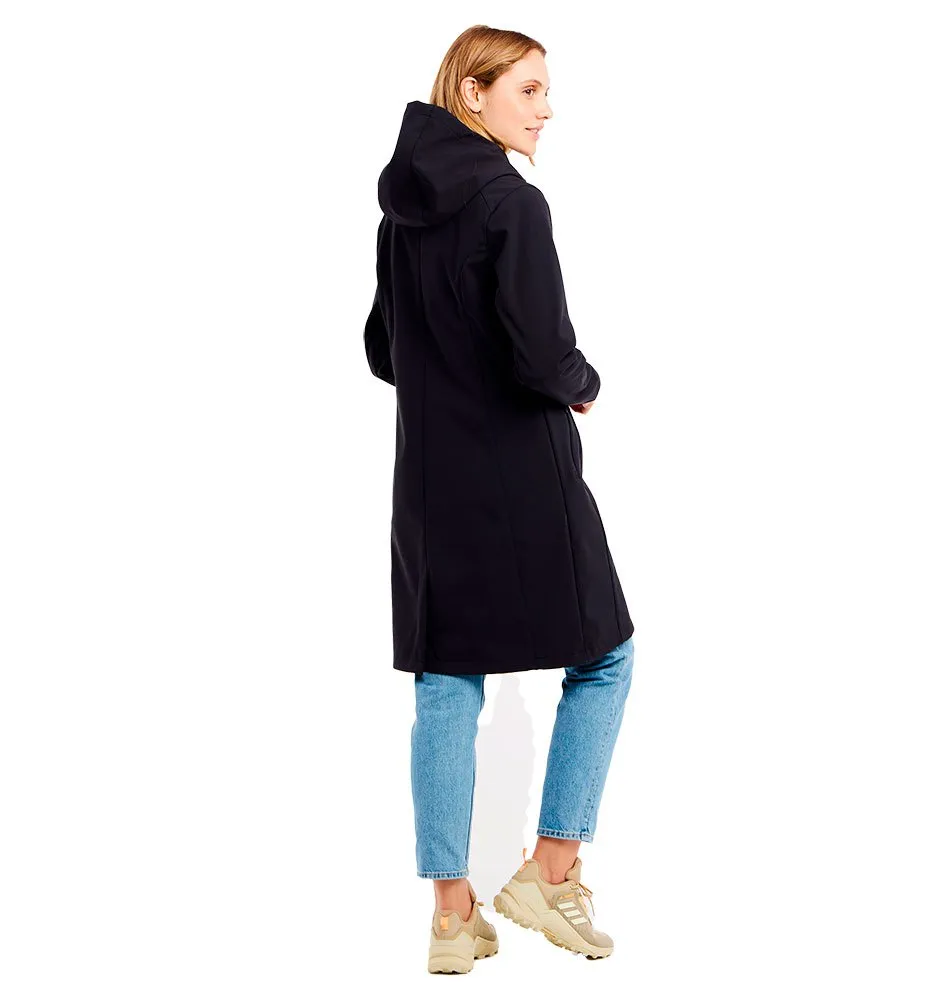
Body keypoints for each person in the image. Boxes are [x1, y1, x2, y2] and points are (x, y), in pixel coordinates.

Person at [364, 25, 635, 973]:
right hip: (523, 477)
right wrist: (582, 381)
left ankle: (451, 917)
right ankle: (549, 872)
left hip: (429, 483)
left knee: (447, 680)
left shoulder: (402, 211)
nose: (547, 108)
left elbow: (383, 351)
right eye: (529, 89)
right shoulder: (512, 201)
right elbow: (541, 351)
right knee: (606, 655)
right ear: (472, 93)